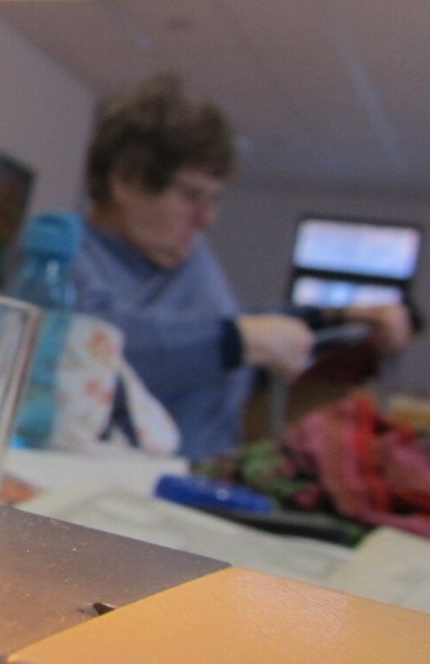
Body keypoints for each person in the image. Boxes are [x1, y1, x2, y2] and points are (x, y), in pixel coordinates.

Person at [71, 73, 412, 460]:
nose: (206, 219)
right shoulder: (65, 255)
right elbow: (91, 356)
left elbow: (223, 325)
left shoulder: (189, 257)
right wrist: (241, 341)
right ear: (126, 180)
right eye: (191, 195)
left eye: (213, 200)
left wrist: (343, 316)